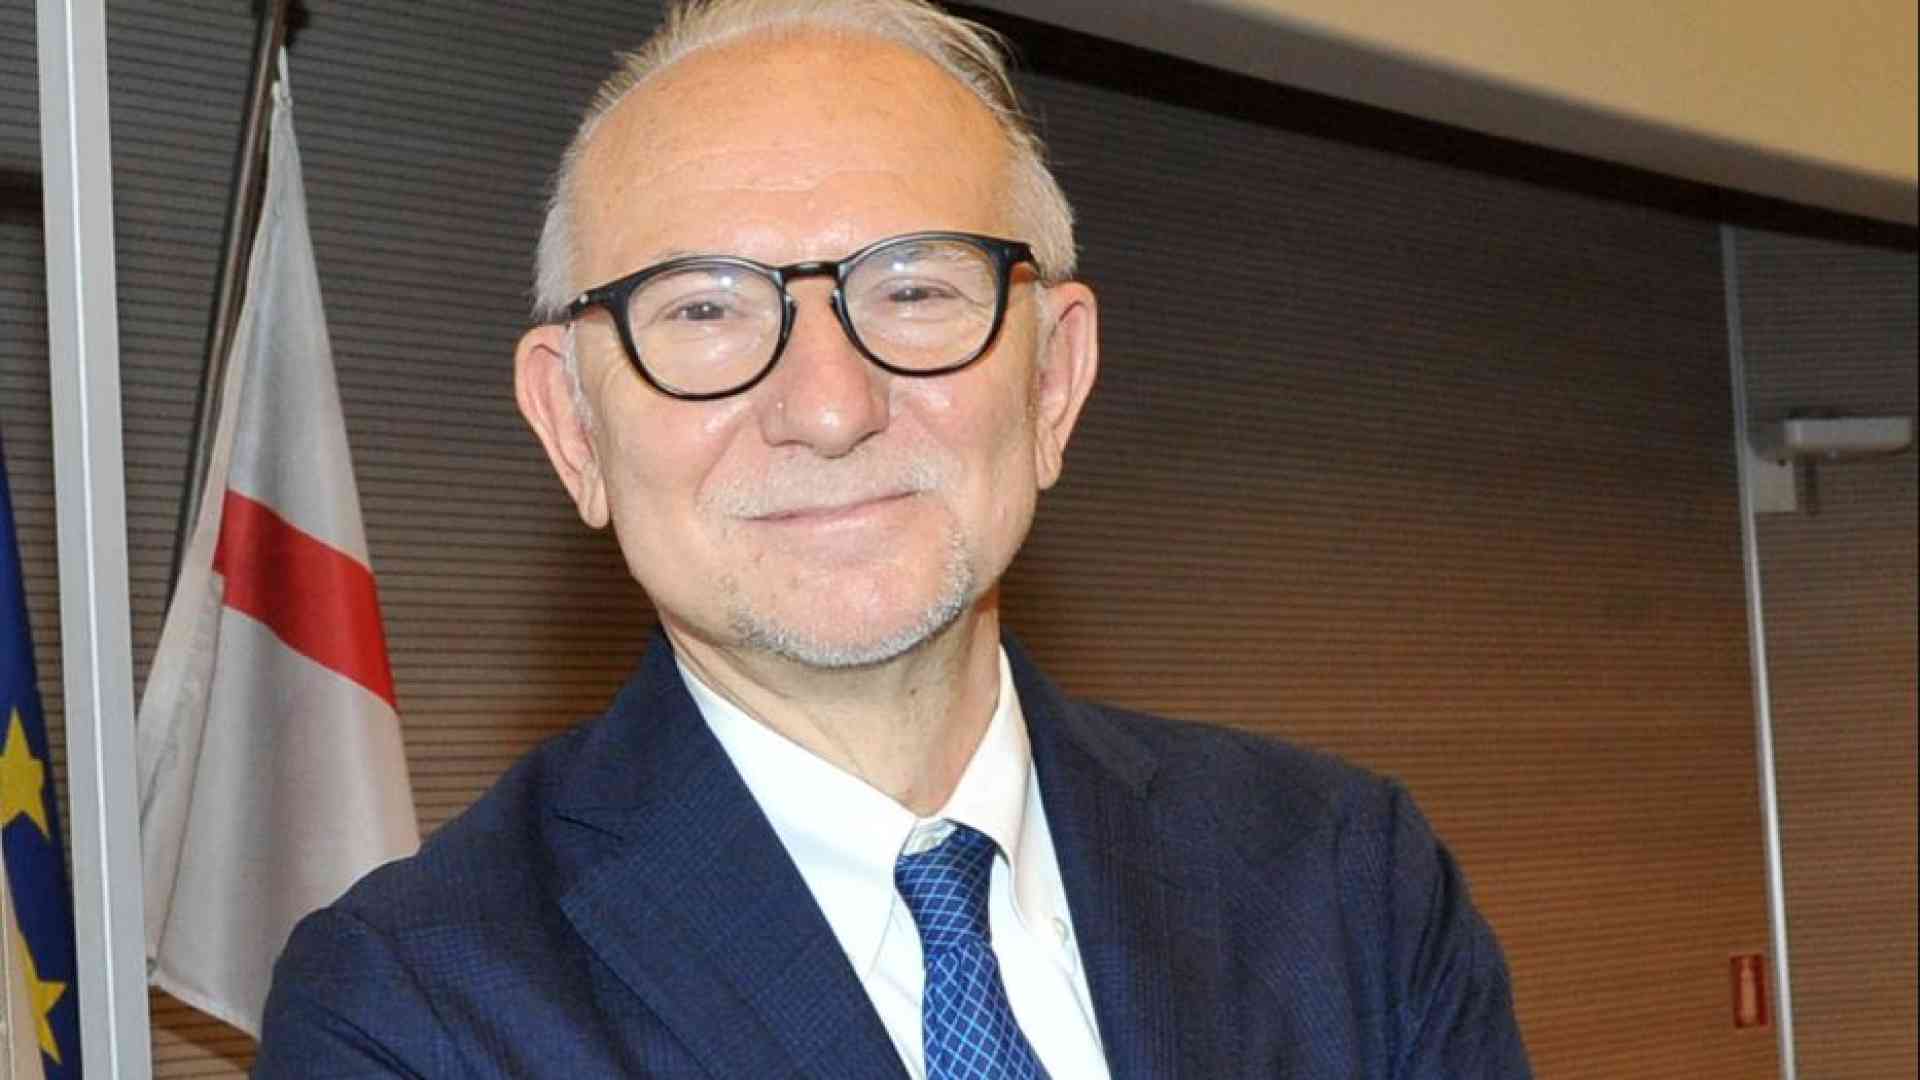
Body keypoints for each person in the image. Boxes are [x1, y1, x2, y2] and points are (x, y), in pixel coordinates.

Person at [255, 0, 1531, 1075]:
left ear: (1054, 381)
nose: (829, 408)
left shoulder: (1350, 884)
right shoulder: (409, 1008)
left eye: (914, 289)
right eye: (703, 310)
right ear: (573, 428)